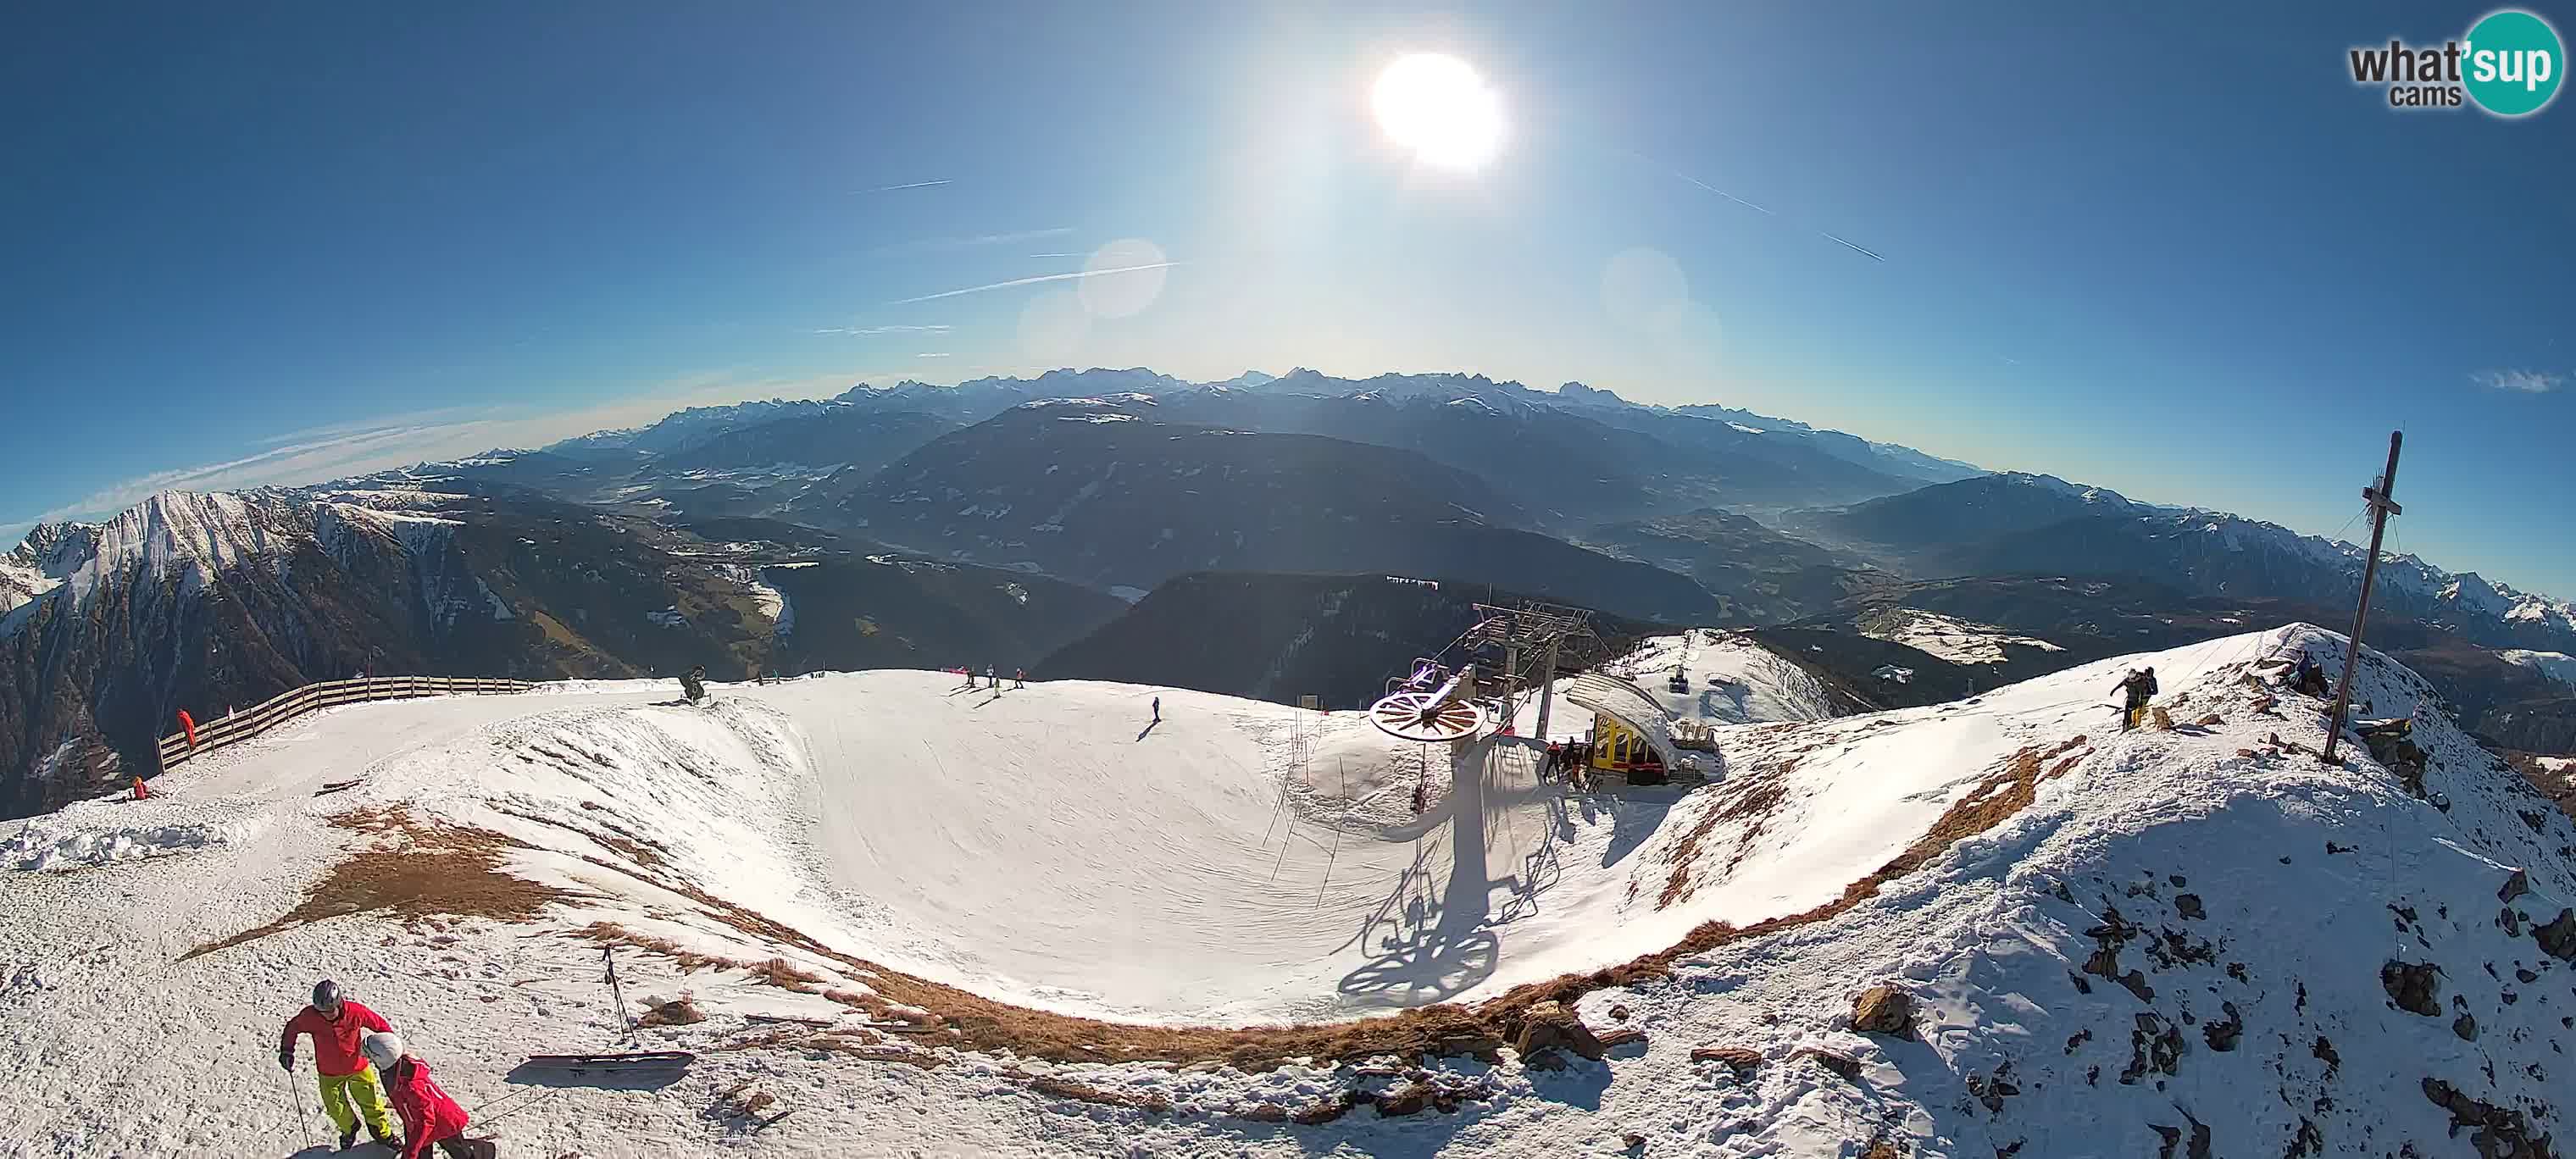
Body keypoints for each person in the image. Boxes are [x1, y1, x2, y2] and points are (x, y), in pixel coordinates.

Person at [279, 980, 399, 1150]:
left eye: (329, 1011)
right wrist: (287, 1051)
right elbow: (292, 1028)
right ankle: (349, 1128)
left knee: (372, 1104)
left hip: (358, 1067)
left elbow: (381, 1027)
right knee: (335, 1107)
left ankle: (383, 1133)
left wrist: (391, 1050)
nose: (325, 1015)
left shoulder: (356, 1012)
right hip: (329, 1072)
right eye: (321, 1012)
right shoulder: (310, 1016)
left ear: (339, 1003)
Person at [362, 1032, 485, 1159]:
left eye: (370, 1056)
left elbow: (425, 1120)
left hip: (442, 1121)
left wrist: (412, 1150)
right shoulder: (398, 1065)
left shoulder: (410, 1086)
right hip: (418, 1122)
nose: (369, 1059)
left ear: (380, 1058)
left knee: (460, 1152)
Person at [2112, 667, 2159, 731]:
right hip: (2133, 698)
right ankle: (2128, 725)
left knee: (2137, 712)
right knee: (2130, 712)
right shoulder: (2140, 678)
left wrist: (2147, 693)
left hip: (2141, 698)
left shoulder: (2145, 679)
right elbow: (2123, 683)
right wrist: (2114, 690)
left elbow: (2154, 691)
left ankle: (2135, 725)